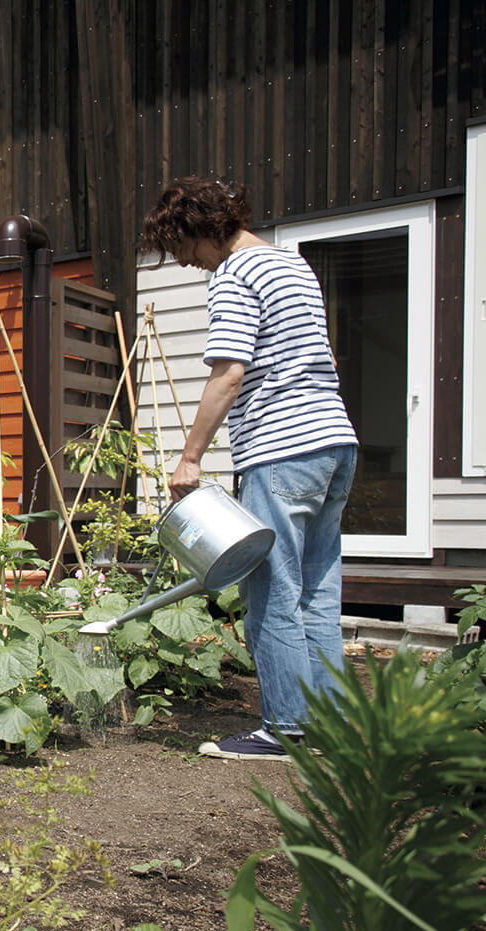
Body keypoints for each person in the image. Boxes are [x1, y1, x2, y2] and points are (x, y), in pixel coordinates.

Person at [139, 178, 359, 761]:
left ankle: (287, 730)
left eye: (186, 251)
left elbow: (229, 372)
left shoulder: (235, 275)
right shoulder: (292, 266)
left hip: (283, 449)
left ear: (198, 228)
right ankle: (333, 726)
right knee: (317, 591)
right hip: (335, 444)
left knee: (272, 589)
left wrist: (189, 458)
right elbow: (326, 357)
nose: (190, 265)